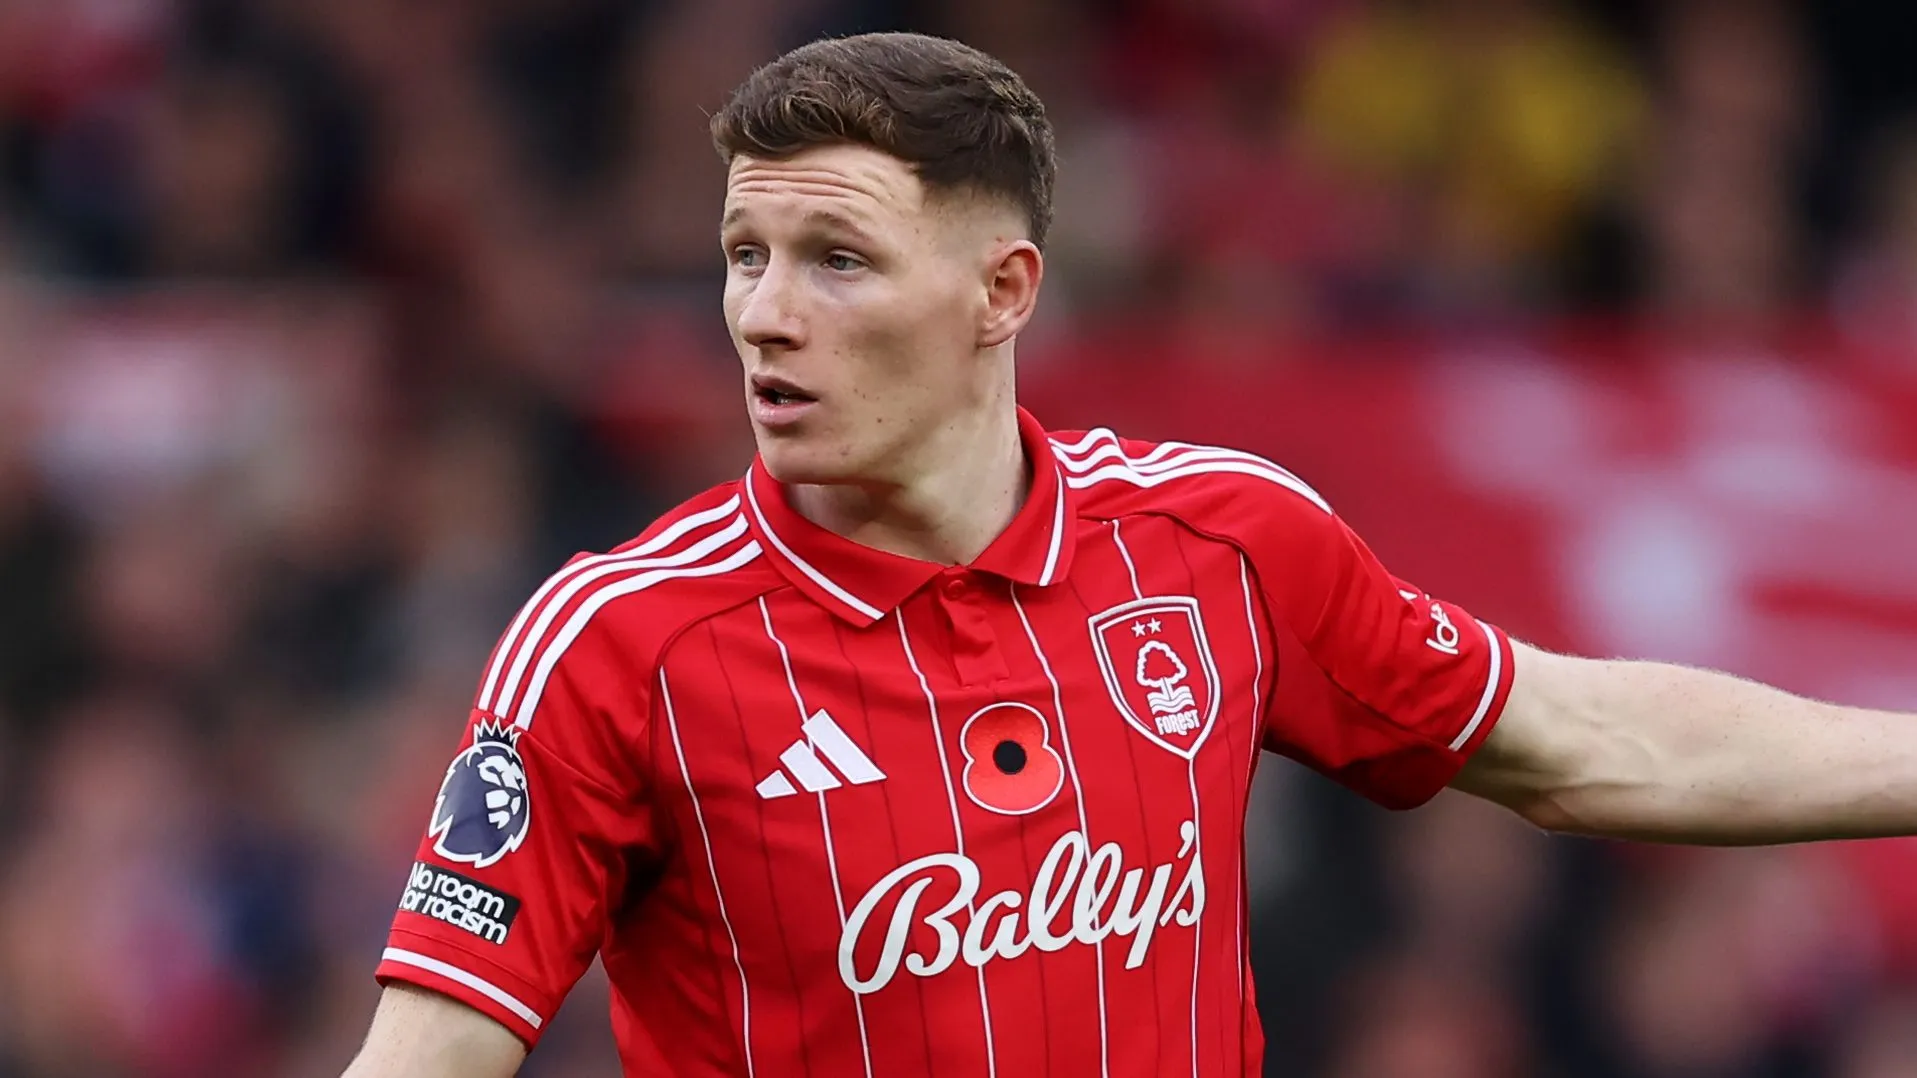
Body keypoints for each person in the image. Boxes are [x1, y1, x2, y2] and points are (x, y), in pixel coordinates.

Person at [341, 32, 1917, 1078]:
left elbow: (1592, 741)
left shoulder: (1217, 542)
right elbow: (429, 1056)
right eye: (745, 254)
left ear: (1004, 290)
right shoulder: (618, 644)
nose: (764, 310)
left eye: (837, 259)